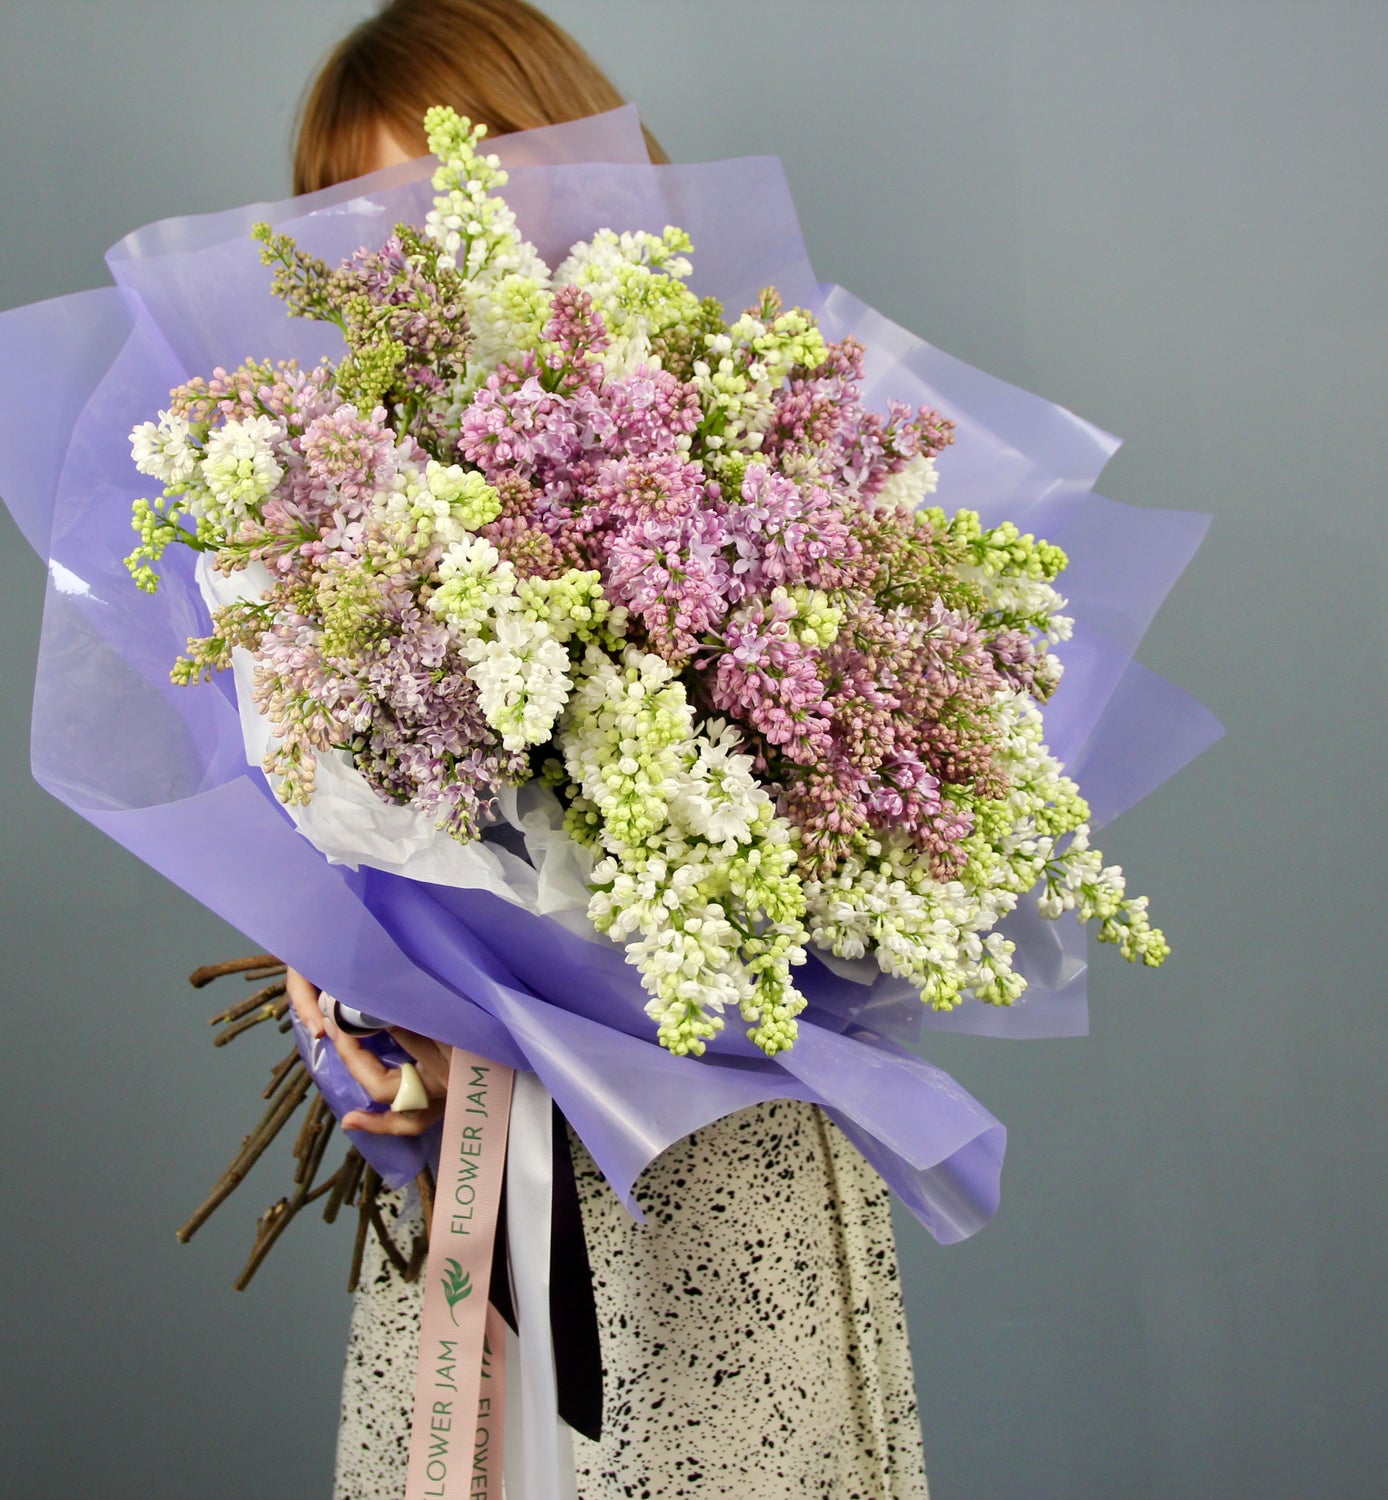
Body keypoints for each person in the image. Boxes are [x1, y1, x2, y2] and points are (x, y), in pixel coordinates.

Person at [284, 3, 929, 1496]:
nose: (424, 257)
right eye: (362, 223)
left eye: (462, 194)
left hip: (726, 1205)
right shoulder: (344, 517)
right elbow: (346, 841)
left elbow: (875, 868)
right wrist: (359, 1013)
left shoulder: (757, 453)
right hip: (470, 1221)